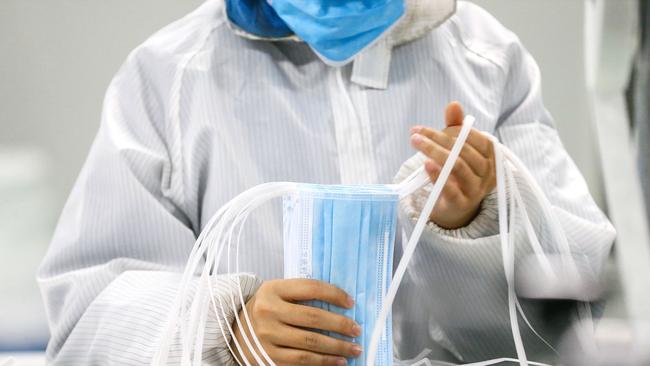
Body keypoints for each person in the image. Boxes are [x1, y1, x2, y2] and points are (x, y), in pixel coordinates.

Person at [38, 0, 615, 365]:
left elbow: (579, 299)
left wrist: (481, 217)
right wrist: (227, 329)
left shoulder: (488, 61)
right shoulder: (167, 80)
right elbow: (87, 319)